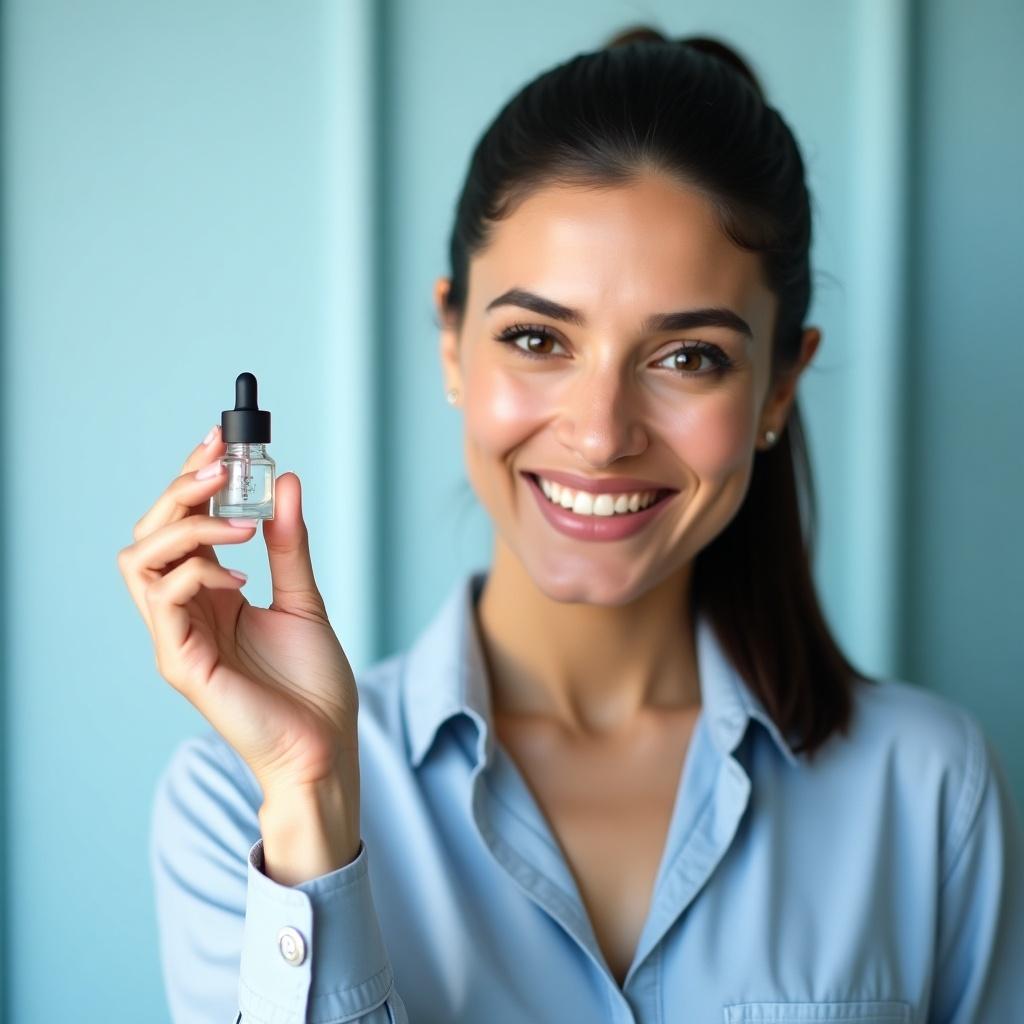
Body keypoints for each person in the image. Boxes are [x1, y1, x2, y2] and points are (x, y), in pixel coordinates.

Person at [119, 25, 1024, 1024]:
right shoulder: (233, 804)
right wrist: (313, 804)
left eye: (688, 357)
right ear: (453, 344)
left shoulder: (932, 793)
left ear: (780, 384)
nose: (599, 436)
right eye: (537, 339)